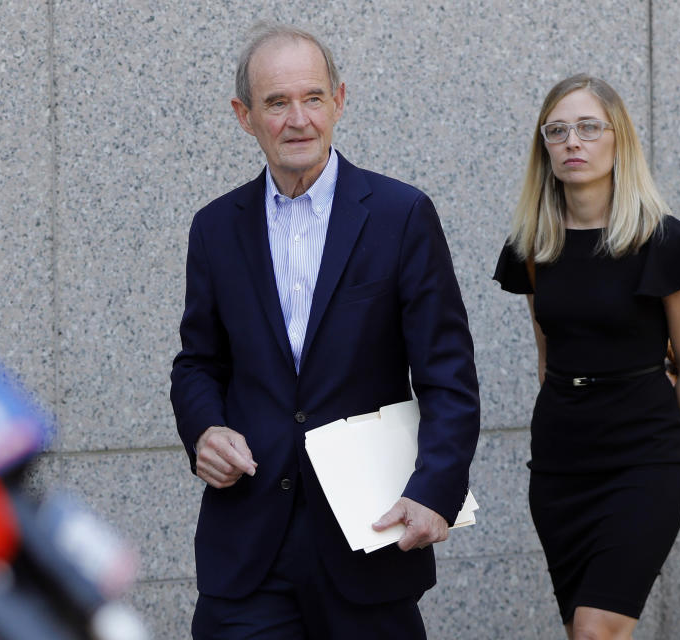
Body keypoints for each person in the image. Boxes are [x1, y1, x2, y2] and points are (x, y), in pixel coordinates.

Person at [169, 22, 480, 639]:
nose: (298, 119)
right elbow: (198, 363)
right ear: (244, 115)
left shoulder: (401, 215)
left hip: (368, 538)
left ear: (339, 101)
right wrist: (204, 427)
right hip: (249, 545)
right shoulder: (214, 228)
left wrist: (435, 491)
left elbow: (448, 375)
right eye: (276, 102)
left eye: (313, 98)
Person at [493, 74, 680, 640]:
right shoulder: (534, 246)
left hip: (643, 456)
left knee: (599, 627)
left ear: (618, 138)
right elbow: (549, 358)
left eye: (589, 127)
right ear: (544, 148)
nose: (573, 141)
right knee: (581, 628)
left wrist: (673, 447)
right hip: (561, 460)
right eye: (558, 131)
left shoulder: (665, 241)